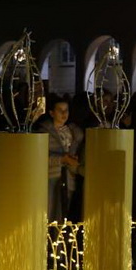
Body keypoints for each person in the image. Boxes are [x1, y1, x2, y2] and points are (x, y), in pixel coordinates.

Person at [37, 94, 83, 223]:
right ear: (52, 113)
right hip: (51, 177)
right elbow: (41, 157)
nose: (64, 113)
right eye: (60, 110)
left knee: (64, 214)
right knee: (50, 213)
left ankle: (59, 240)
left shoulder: (72, 132)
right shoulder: (44, 132)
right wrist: (62, 159)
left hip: (69, 177)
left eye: (66, 110)